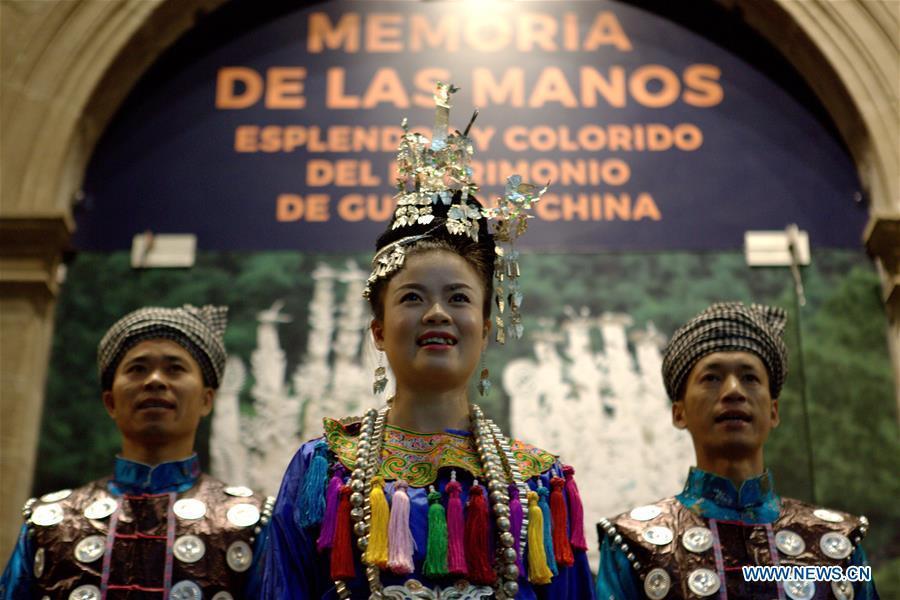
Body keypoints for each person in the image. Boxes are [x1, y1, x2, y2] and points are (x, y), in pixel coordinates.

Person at [261, 84, 595, 599]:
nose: (437, 313)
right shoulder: (325, 468)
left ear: (485, 328)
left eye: (459, 298)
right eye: (413, 297)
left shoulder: (539, 484)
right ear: (378, 329)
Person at [595, 302, 879, 600]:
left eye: (750, 378)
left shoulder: (837, 543)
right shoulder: (634, 545)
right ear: (679, 413)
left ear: (773, 411)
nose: (733, 391)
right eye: (712, 378)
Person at [1, 305, 273, 600]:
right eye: (137, 369)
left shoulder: (250, 522)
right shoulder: (50, 522)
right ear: (110, 402)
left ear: (207, 400)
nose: (155, 380)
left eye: (175, 368)